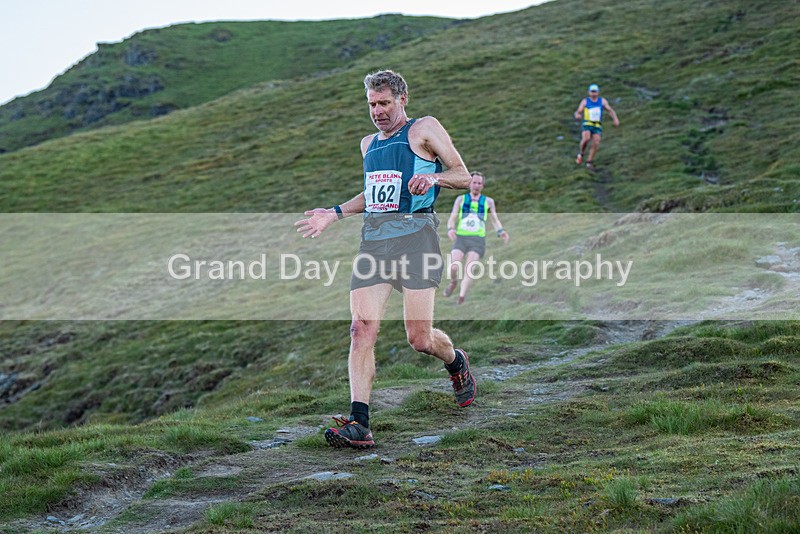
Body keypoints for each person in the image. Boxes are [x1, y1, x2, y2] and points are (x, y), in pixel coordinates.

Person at [295, 70, 476, 449]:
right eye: (372, 104)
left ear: (402, 99)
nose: (377, 111)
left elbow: (462, 174)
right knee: (361, 329)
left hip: (417, 240)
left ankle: (455, 360)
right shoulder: (368, 145)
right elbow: (371, 193)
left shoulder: (424, 129)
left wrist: (434, 180)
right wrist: (335, 213)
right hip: (374, 244)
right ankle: (359, 423)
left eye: (384, 103)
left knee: (420, 338)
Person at [442, 171, 509, 304]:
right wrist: (450, 229)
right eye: (474, 182)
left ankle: (461, 298)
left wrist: (500, 231)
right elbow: (452, 218)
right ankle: (453, 282)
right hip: (461, 238)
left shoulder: (488, 202)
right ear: (469, 184)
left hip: (477, 240)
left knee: (469, 269)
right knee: (454, 267)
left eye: (479, 183)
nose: (476, 185)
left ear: (483, 185)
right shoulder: (461, 200)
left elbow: (494, 219)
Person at [574, 83, 619, 170]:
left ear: (598, 92)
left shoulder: (602, 101)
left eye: (595, 92)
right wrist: (577, 115)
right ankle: (581, 153)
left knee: (596, 142)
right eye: (592, 92)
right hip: (587, 123)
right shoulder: (585, 101)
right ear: (589, 92)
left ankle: (589, 161)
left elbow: (610, 110)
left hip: (597, 124)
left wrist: (615, 119)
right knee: (586, 139)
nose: (593, 93)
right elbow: (578, 111)